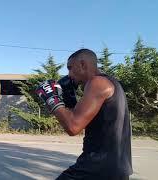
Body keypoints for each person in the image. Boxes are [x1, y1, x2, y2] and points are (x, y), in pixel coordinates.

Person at [36, 49, 133, 180]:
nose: (69, 74)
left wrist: (51, 98)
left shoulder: (97, 83)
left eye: (70, 68)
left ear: (82, 64)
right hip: (115, 168)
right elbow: (77, 117)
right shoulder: (112, 83)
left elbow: (73, 127)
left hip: (96, 167)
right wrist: (68, 98)